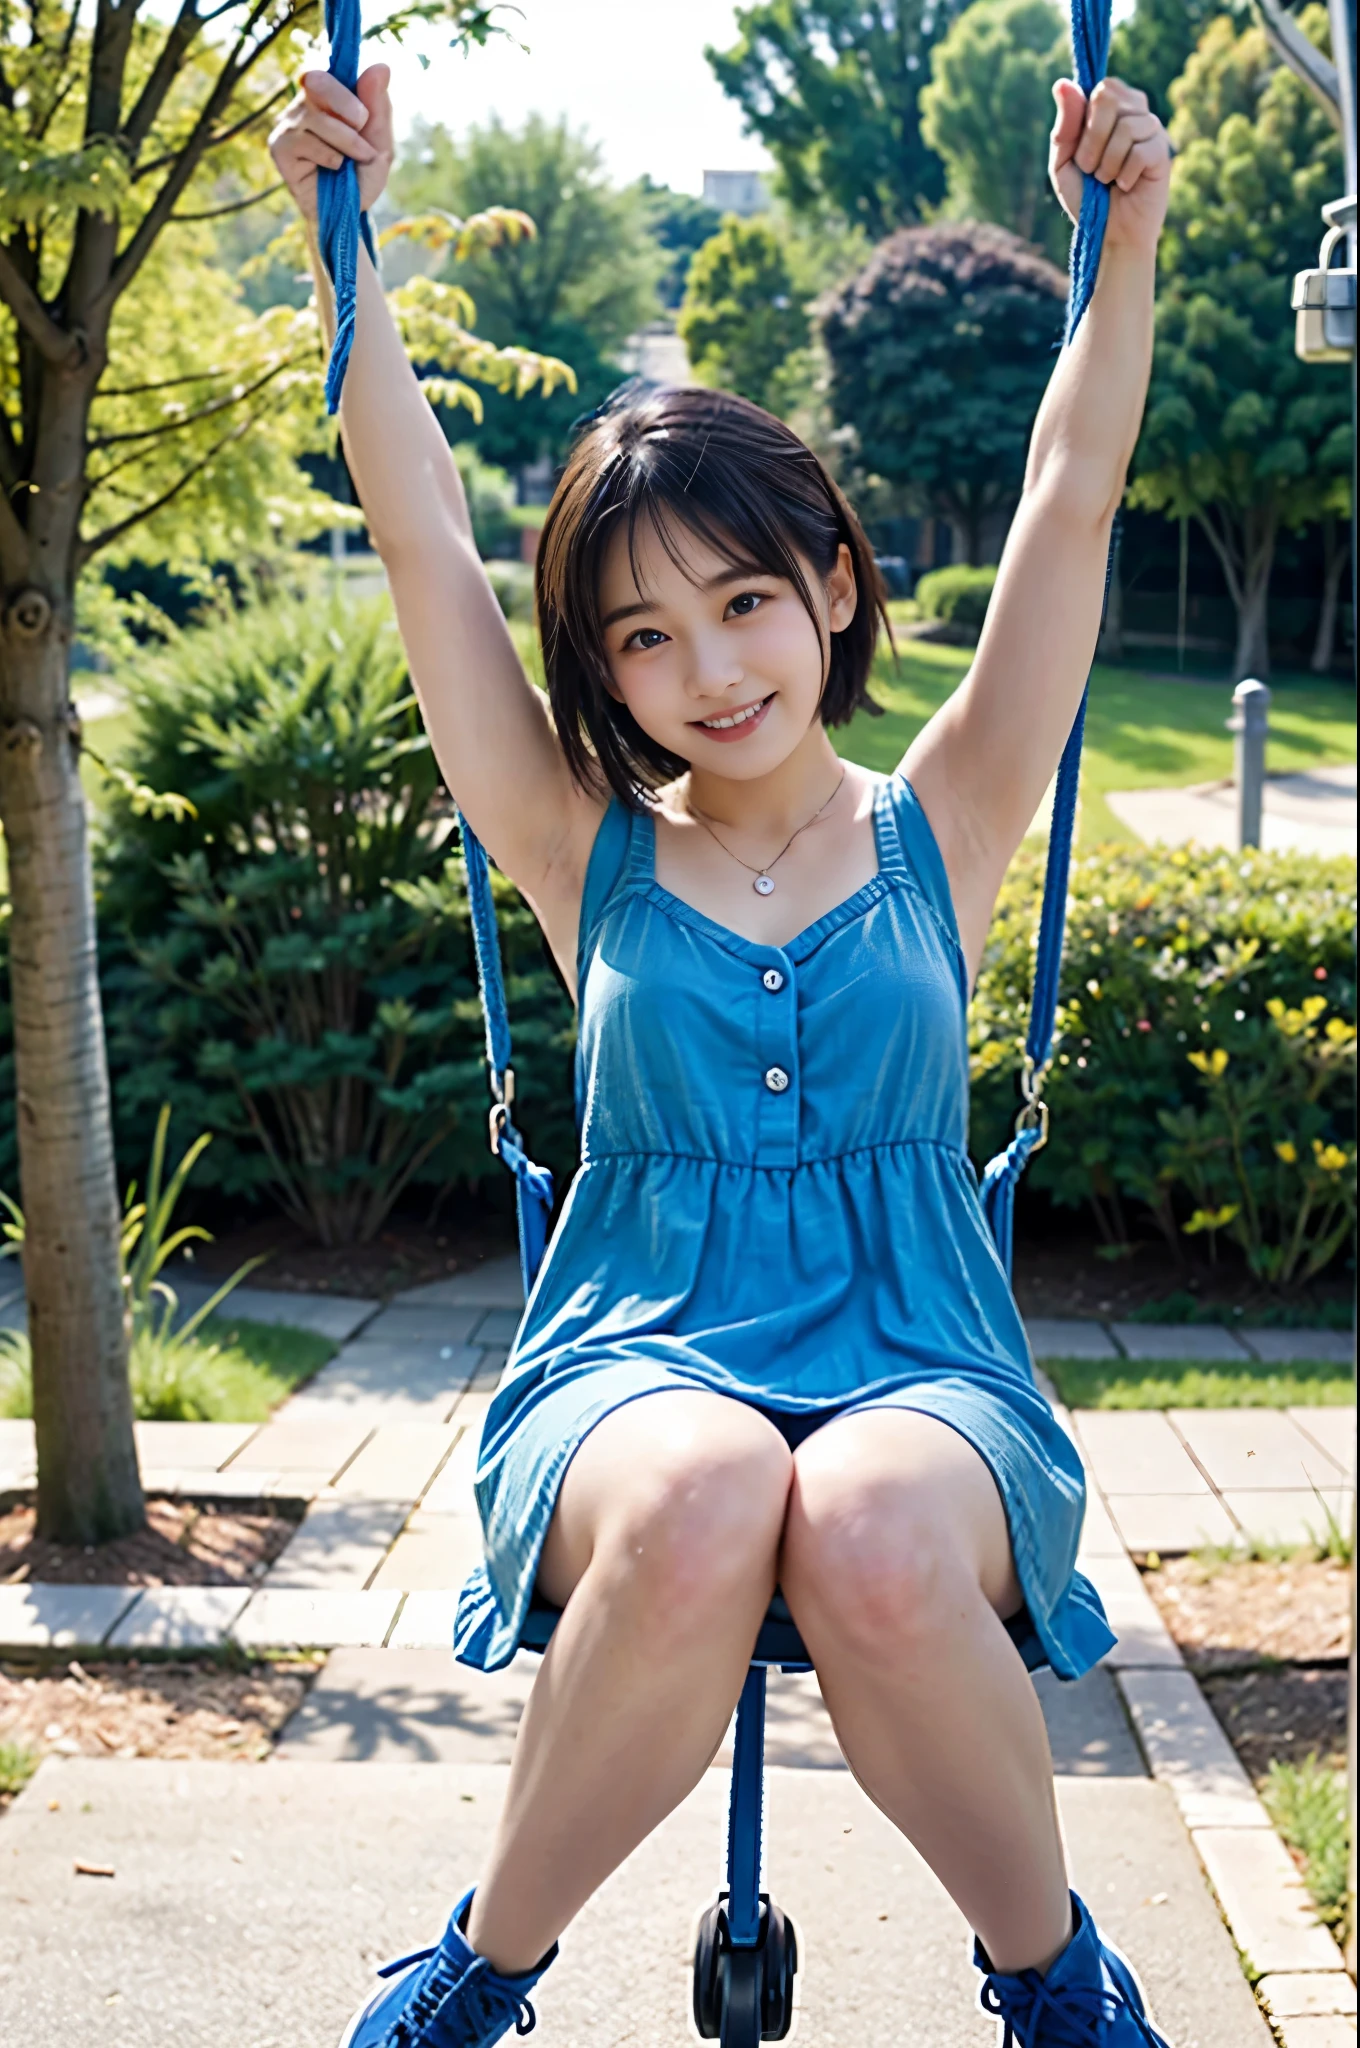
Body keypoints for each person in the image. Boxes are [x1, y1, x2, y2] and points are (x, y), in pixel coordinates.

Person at [270, 57, 1173, 2048]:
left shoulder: (945, 822)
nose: (708, 670)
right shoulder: (583, 854)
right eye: (641, 637)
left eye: (743, 602)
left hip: (920, 1354)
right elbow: (420, 535)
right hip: (636, 1346)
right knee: (696, 1503)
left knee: (852, 1519)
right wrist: (348, 239)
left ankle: (1055, 1987)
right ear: (597, 669)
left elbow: (1066, 495)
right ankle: (473, 1976)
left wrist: (1120, 246)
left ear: (833, 588)